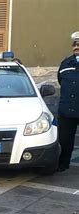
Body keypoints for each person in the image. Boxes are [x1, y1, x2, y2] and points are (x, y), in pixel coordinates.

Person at [57, 31, 79, 172]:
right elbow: (61, 81)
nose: (76, 47)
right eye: (75, 45)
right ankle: (63, 164)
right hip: (67, 110)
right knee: (65, 141)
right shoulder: (65, 63)